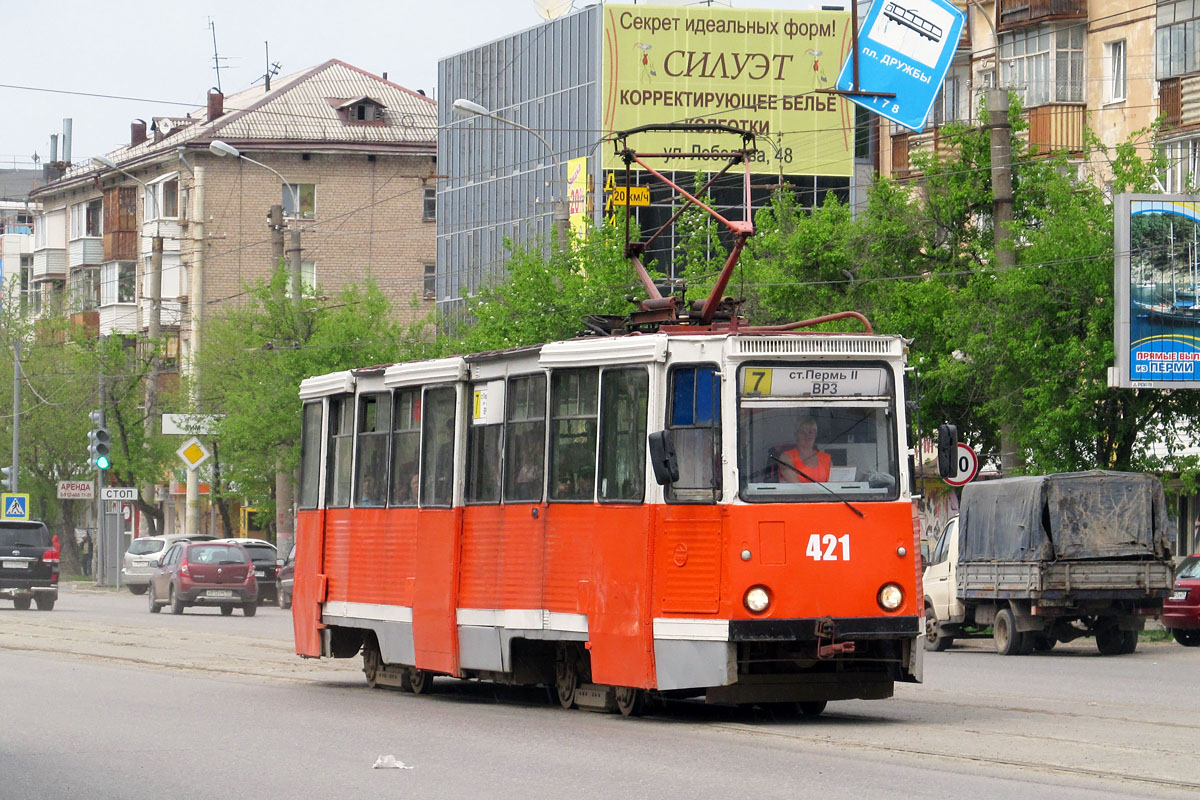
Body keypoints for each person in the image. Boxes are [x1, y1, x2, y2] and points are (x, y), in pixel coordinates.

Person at [779, 416, 831, 483]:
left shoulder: (826, 459)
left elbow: (833, 485)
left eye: (810, 432)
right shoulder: (786, 457)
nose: (807, 436)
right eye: (802, 432)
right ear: (796, 435)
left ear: (815, 435)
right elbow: (797, 486)